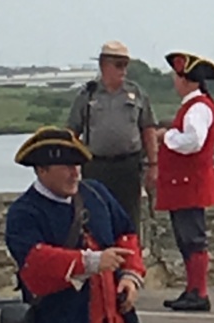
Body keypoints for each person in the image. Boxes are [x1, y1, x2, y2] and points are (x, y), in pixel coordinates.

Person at [3, 126, 152, 323]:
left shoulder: (96, 194)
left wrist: (131, 277)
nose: (76, 173)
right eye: (66, 166)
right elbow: (35, 263)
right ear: (42, 170)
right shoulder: (25, 213)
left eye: (77, 165)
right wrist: (91, 262)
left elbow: (125, 234)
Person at [67, 41, 158, 232]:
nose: (123, 70)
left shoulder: (137, 93)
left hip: (128, 166)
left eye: (126, 65)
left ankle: (129, 258)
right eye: (118, 65)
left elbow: (148, 130)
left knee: (129, 219)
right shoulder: (87, 95)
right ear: (103, 66)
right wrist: (72, 164)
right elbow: (72, 132)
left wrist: (153, 165)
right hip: (96, 166)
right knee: (96, 216)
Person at [156, 51, 214, 313]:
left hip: (188, 182)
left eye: (178, 76)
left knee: (193, 238)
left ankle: (199, 291)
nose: (175, 80)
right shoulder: (194, 106)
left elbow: (194, 141)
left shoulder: (198, 108)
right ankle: (193, 288)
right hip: (183, 183)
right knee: (186, 238)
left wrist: (167, 136)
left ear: (189, 81)